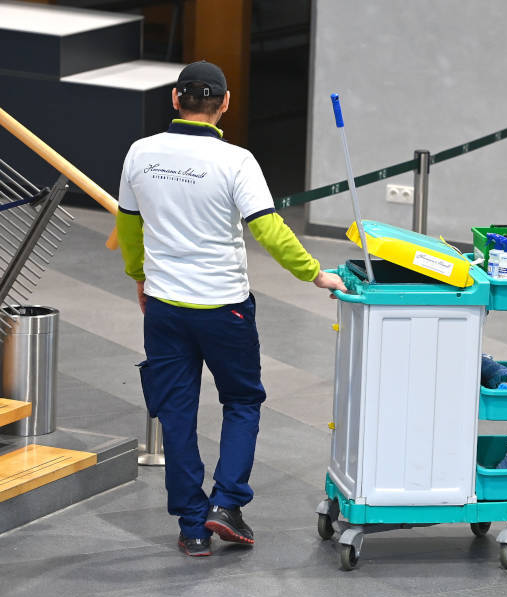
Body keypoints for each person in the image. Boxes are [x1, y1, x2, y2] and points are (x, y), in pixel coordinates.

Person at [116, 61, 346, 557]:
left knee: (175, 412)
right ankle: (226, 504)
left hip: (164, 307)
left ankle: (192, 528)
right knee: (241, 402)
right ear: (224, 104)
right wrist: (314, 273)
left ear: (175, 99)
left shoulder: (140, 153)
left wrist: (140, 278)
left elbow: (130, 227)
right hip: (225, 309)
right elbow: (268, 228)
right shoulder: (236, 160)